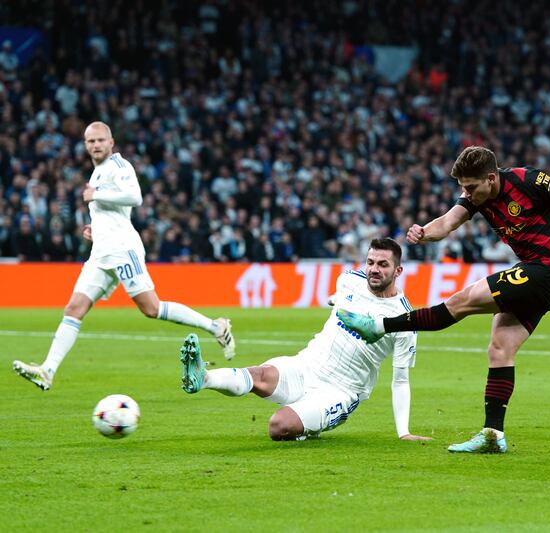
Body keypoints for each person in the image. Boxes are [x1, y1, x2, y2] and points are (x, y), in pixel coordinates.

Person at [338, 146, 550, 453]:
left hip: (547, 271)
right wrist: (424, 232)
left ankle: (379, 326)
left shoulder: (529, 181)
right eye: (463, 187)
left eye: (471, 187)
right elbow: (447, 222)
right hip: (537, 276)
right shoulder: (475, 197)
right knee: (500, 348)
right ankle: (493, 434)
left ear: (491, 178)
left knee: (460, 302)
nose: (467, 193)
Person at [12, 121, 235, 391]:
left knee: (152, 308)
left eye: (100, 140)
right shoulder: (97, 173)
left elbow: (135, 197)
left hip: (122, 249)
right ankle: (47, 371)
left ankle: (216, 327)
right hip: (101, 251)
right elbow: (113, 212)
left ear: (111, 142)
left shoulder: (119, 166)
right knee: (74, 308)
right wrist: (96, 230)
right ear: (85, 145)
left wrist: (98, 194)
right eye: (90, 141)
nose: (96, 145)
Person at [180, 238, 430, 442]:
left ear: (398, 271)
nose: (374, 269)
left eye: (383, 264)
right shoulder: (350, 281)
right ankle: (203, 378)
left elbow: (400, 381)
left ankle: (310, 426)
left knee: (279, 426)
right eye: (371, 262)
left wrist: (403, 432)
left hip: (339, 391)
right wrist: (334, 299)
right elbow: (338, 295)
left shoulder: (404, 319)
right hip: (306, 365)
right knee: (260, 375)